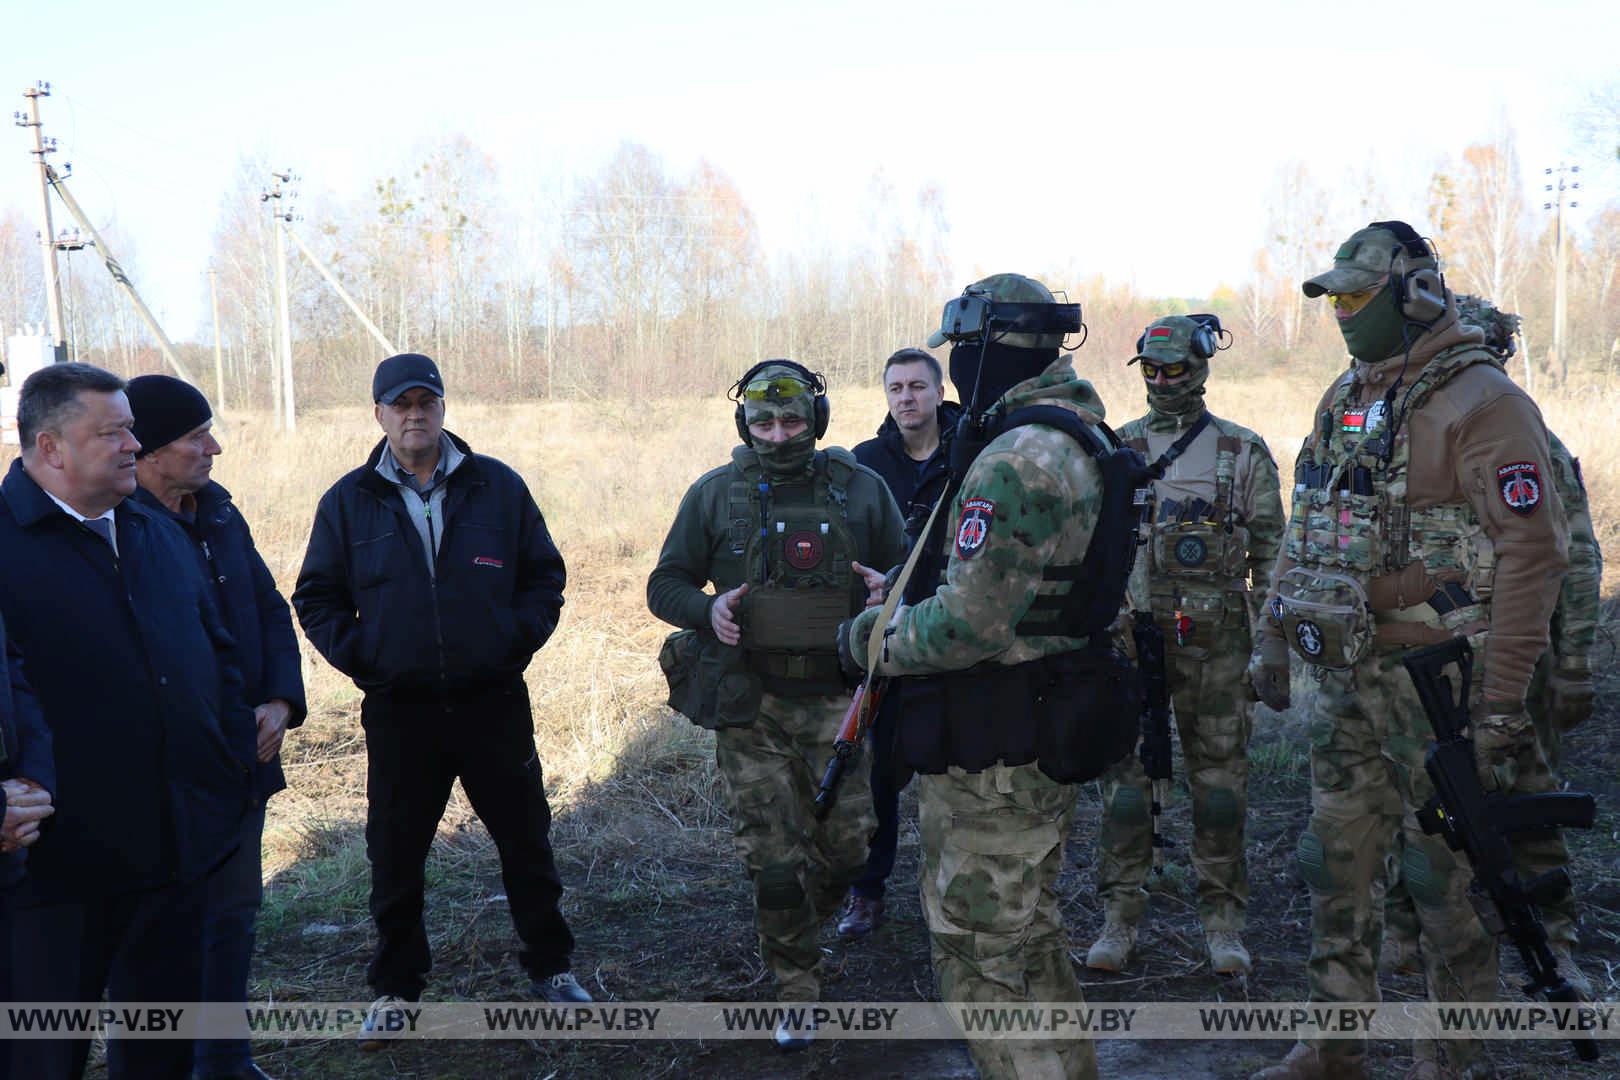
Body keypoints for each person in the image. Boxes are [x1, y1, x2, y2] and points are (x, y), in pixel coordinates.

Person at [1247, 224, 1570, 1080]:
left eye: (1358, 296)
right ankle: (1333, 1045)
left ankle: (1446, 1056)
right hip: (1349, 679)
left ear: (1415, 293)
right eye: (1337, 299)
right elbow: (1309, 524)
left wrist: (1500, 699)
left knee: (1442, 882)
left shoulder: (1482, 402)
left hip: (1442, 689)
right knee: (1333, 863)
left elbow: (1534, 553)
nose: (1345, 313)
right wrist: (1272, 634)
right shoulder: (1342, 397)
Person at [844, 273, 1143, 1080]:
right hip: (1035, 733)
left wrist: (869, 637)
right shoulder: (1080, 430)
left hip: (995, 754)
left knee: (979, 959)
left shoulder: (1017, 456)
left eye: (964, 354)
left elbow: (967, 625)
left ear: (988, 347)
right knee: (1031, 939)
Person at [293, 353, 588, 1049]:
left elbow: (544, 577)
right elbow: (316, 595)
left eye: (426, 402)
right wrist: (368, 662)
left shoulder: (497, 487)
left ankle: (551, 967)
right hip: (402, 712)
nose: (414, 414)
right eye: (401, 404)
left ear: (444, 408)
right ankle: (397, 990)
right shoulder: (348, 500)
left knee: (526, 842)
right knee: (395, 856)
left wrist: (510, 641)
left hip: (493, 703)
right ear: (379, 414)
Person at [0, 362, 253, 1080]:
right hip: (55, 879)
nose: (131, 446)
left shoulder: (155, 529)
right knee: (42, 1059)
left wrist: (227, 767)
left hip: (176, 857)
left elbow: (218, 654)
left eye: (132, 430)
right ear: (50, 448)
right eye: (111, 433)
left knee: (161, 1055)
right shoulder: (5, 547)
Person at [647, 359, 907, 1049]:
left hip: (838, 700)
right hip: (752, 704)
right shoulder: (714, 496)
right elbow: (664, 583)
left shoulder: (862, 490)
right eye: (763, 421)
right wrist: (709, 611)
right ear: (744, 423)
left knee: (851, 849)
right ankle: (797, 983)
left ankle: (804, 929)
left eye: (793, 420)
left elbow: (912, 574)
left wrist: (889, 591)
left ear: (816, 420)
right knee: (774, 860)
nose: (779, 433)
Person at [1375, 297, 1599, 996]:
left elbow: (1577, 559)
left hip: (1511, 652)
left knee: (1524, 799)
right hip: (1435, 653)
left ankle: (1556, 943)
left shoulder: (1528, 438)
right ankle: (1406, 928)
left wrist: (1572, 663)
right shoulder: (1405, 434)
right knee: (1421, 798)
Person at [1086, 314, 1284, 977]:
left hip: (1217, 649)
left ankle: (1223, 919)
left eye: (1178, 369)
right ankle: (1120, 916)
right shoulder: (1115, 450)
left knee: (1220, 791)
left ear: (1203, 368)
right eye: (1153, 369)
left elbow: (1273, 558)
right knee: (1124, 791)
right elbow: (1091, 551)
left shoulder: (1241, 451)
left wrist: (1269, 648)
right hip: (1131, 644)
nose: (1165, 381)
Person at [126, 374, 308, 1080]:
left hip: (244, 759)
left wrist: (280, 704)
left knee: (234, 915)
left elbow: (269, 611)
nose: (216, 448)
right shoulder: (121, 526)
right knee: (162, 935)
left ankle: (226, 1060)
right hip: (172, 772)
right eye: (197, 436)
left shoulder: (221, 515)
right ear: (150, 453)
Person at [839, 347, 962, 939]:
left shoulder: (973, 455)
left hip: (953, 634)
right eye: (895, 388)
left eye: (917, 386)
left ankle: (952, 891)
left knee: (952, 768)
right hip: (884, 642)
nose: (907, 397)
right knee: (876, 774)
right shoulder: (865, 465)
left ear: (939, 392)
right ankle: (868, 891)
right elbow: (847, 546)